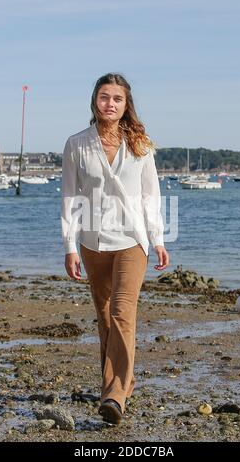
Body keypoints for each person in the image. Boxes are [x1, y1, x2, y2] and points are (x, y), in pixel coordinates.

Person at [61, 73, 170, 425]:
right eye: (104, 97)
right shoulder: (77, 144)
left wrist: (157, 239)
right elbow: (69, 198)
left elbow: (151, 196)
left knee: (123, 312)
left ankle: (115, 396)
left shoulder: (140, 143)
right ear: (95, 100)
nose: (110, 103)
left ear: (126, 104)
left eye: (117, 99)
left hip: (131, 241)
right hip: (92, 243)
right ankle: (119, 384)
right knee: (106, 319)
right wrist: (69, 246)